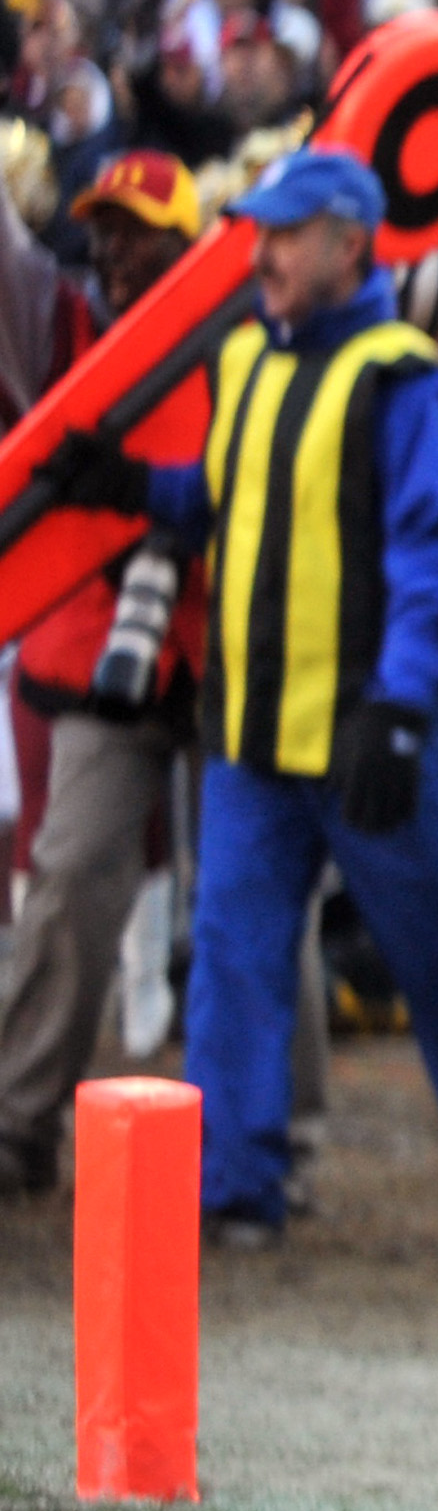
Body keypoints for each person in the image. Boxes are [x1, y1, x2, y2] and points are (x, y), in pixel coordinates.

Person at [48, 149, 438, 1249]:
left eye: (281, 235)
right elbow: (226, 492)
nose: (258, 255)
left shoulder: (412, 384)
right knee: (231, 959)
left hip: (372, 735)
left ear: (348, 243)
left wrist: (404, 709)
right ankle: (236, 1193)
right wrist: (132, 487)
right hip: (257, 737)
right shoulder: (252, 367)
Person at [0, 154, 212, 1197]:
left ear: (191, 241)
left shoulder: (242, 333)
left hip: (226, 639)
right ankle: (16, 1123)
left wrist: (150, 492)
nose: (117, 248)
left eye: (138, 228)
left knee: (258, 908)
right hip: (99, 643)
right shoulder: (72, 333)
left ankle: (265, 1151)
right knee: (72, 873)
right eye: (106, 228)